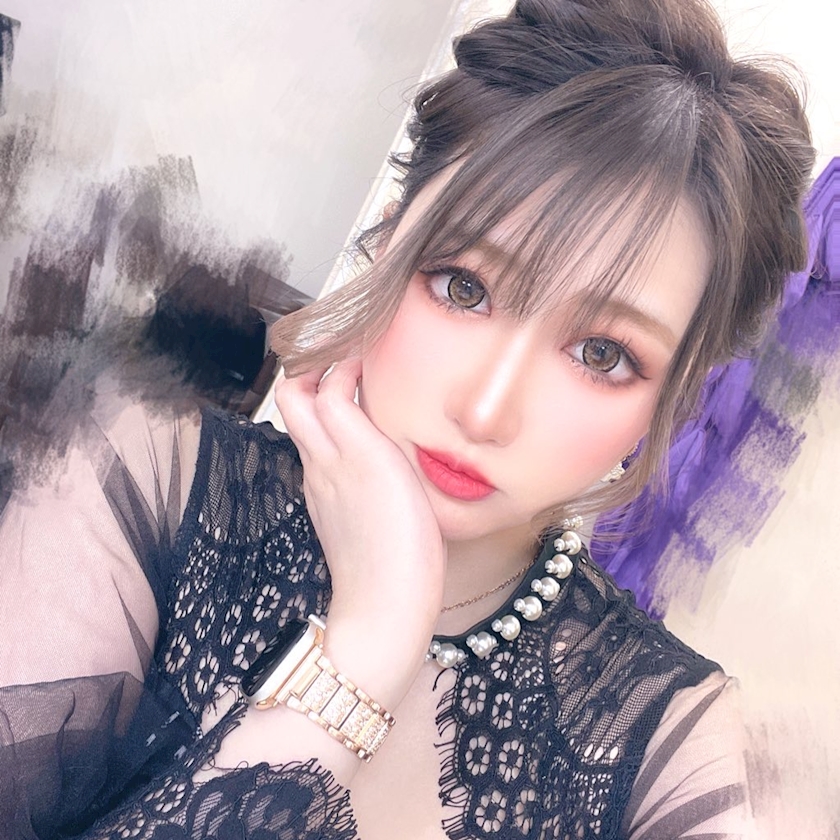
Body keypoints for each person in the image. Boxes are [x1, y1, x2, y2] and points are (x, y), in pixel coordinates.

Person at [0, 0, 814, 837]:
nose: (485, 409)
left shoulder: (671, 745)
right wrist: (366, 644)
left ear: (674, 395)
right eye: (465, 287)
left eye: (603, 354)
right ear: (388, 243)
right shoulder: (144, 478)